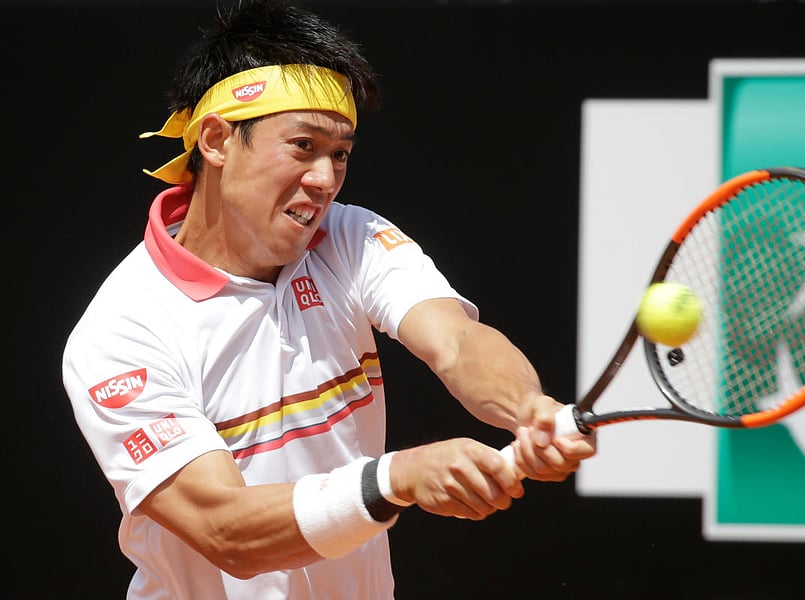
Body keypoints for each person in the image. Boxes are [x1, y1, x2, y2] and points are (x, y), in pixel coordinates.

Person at [61, 1, 597, 598]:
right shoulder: (121, 332)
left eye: (339, 153)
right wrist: (394, 478)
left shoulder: (350, 237)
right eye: (302, 145)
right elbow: (225, 530)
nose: (325, 177)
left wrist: (528, 409)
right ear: (215, 140)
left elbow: (458, 341)